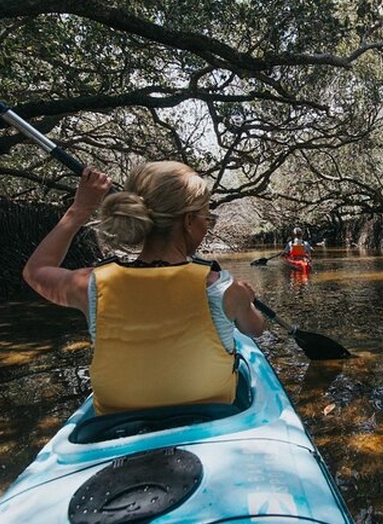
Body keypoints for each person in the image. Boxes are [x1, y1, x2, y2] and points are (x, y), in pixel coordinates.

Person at [22, 162, 266, 415]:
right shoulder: (224, 289)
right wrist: (245, 299)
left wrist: (80, 209)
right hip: (213, 416)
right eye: (208, 219)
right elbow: (256, 329)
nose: (208, 227)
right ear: (189, 221)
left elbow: (35, 271)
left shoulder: (92, 285)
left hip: (116, 425)